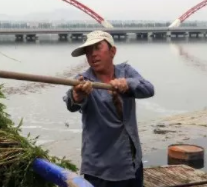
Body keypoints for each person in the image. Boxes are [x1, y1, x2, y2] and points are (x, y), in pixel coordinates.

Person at [62, 30, 155, 187]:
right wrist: (77, 96)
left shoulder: (126, 71)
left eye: (98, 48)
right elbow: (71, 102)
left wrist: (128, 84)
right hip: (100, 170)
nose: (93, 55)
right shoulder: (84, 81)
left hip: (132, 164)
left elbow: (149, 89)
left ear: (113, 51)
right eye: (88, 51)